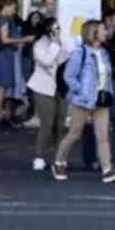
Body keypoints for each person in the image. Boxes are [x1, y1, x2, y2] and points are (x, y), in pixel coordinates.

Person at [53, 20, 115, 184]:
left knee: (103, 136)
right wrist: (80, 91)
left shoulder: (104, 53)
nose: (106, 32)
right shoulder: (80, 53)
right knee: (74, 134)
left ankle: (107, 169)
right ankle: (59, 162)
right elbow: (68, 76)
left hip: (101, 100)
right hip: (83, 100)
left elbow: (106, 77)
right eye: (102, 30)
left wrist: (108, 94)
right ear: (93, 33)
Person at [27, 18, 68, 171]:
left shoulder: (60, 42)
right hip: (43, 88)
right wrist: (54, 44)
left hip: (61, 88)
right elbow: (47, 61)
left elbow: (65, 59)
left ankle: (59, 157)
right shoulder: (39, 45)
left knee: (61, 123)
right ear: (49, 30)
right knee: (47, 123)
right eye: (56, 27)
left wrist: (59, 44)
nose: (59, 30)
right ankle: (39, 156)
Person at [0, 0, 31, 130]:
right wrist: (23, 39)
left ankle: (1, 116)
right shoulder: (3, 21)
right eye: (13, 8)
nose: (14, 11)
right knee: (1, 89)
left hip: (0, 56)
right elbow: (4, 40)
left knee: (0, 88)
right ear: (6, 7)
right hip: (4, 56)